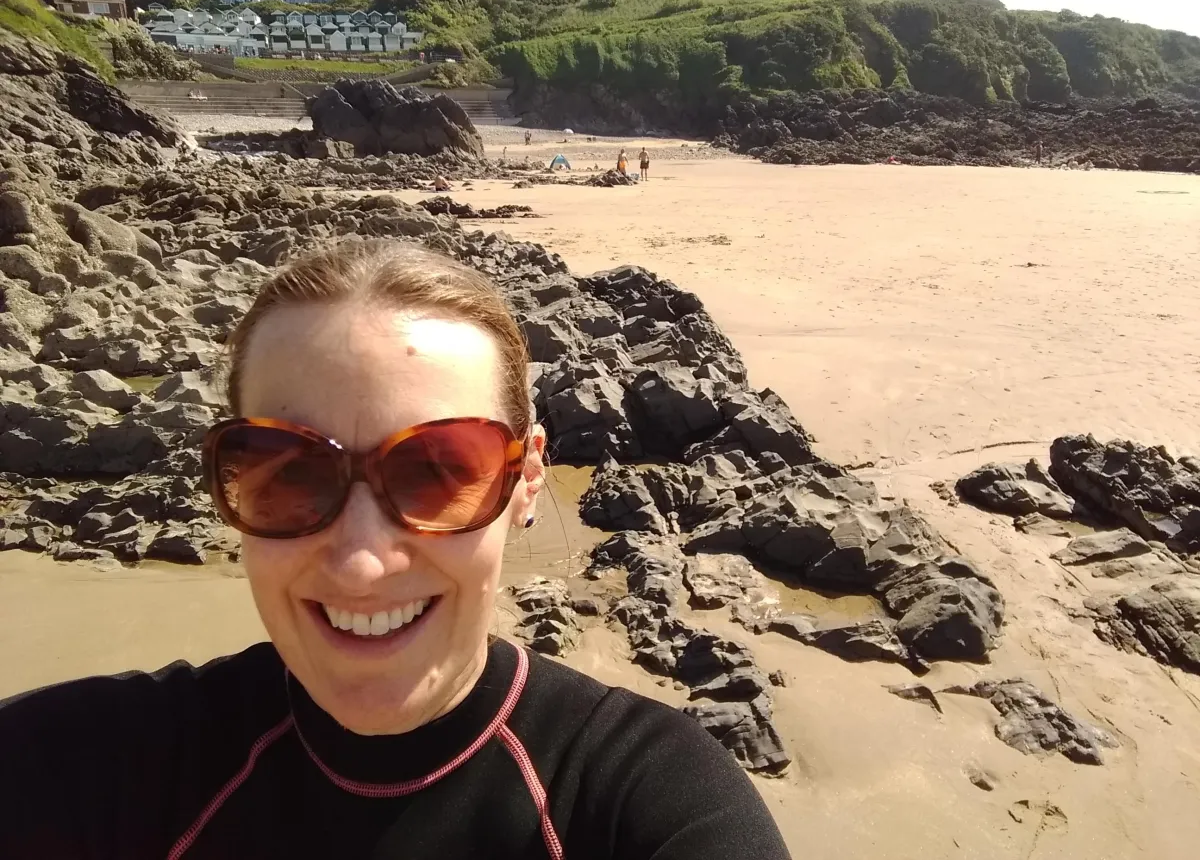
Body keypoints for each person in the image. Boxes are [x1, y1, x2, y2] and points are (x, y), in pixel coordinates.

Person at [0, 241, 791, 860]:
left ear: (526, 478)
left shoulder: (646, 805)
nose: (360, 562)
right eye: (289, 472)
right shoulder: (98, 774)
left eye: (437, 470)